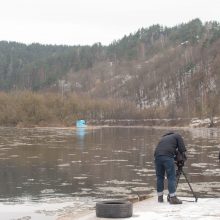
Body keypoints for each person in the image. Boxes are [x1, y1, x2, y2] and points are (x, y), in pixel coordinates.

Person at [154, 131, 187, 204]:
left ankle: (160, 198)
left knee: (159, 177)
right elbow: (182, 149)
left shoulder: (163, 138)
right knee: (171, 177)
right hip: (167, 157)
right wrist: (181, 160)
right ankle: (173, 198)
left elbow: (167, 148)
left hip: (157, 156)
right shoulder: (177, 135)